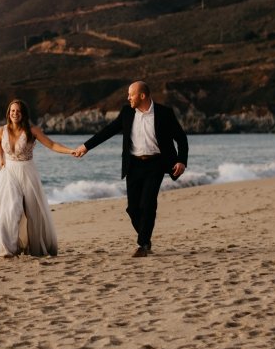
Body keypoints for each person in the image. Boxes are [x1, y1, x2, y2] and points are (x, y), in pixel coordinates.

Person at [72, 81, 188, 257]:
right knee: (133, 209)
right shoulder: (127, 113)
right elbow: (108, 131)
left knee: (148, 204)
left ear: (142, 96)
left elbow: (181, 138)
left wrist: (181, 161)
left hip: (156, 164)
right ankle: (146, 238)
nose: (128, 98)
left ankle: (143, 244)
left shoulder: (164, 113)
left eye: (131, 94)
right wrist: (86, 146)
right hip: (134, 165)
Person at [0, 99, 75, 257]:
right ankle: (7, 250)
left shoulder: (32, 130)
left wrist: (70, 151)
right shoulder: (1, 130)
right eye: (12, 111)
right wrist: (0, 159)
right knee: (7, 210)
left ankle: (34, 246)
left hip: (27, 171)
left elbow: (52, 145)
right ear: (8, 113)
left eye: (18, 111)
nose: (15, 114)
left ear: (23, 114)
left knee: (32, 210)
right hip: (8, 172)